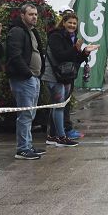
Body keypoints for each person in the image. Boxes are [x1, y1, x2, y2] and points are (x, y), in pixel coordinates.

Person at [44, 11, 97, 147]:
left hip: (65, 76)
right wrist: (75, 48)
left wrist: (85, 52)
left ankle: (52, 136)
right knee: (59, 106)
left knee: (58, 106)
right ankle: (61, 137)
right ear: (63, 22)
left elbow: (74, 59)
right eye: (70, 23)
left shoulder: (72, 37)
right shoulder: (56, 36)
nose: (72, 25)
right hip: (54, 76)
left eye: (74, 23)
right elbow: (61, 56)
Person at [7, 3, 47, 160]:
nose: (34, 17)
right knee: (25, 114)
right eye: (31, 14)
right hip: (24, 79)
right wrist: (28, 74)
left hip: (34, 78)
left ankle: (28, 145)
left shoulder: (32, 32)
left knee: (30, 114)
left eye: (36, 14)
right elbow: (15, 55)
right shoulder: (17, 32)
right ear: (22, 15)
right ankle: (23, 148)